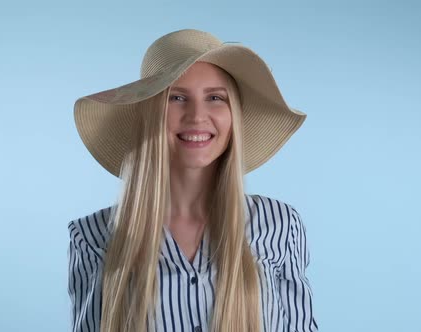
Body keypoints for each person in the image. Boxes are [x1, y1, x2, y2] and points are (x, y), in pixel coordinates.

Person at [67, 29, 318, 332]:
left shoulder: (280, 224)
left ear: (233, 115)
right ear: (151, 114)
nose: (197, 116)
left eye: (215, 97)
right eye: (177, 97)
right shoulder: (93, 238)